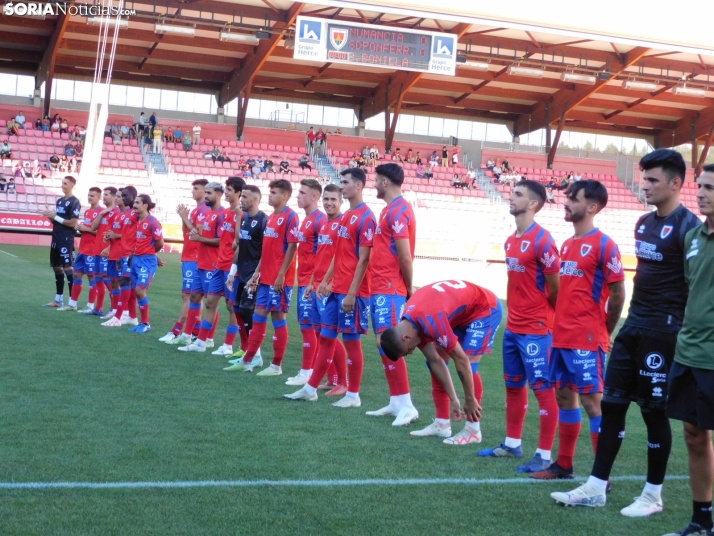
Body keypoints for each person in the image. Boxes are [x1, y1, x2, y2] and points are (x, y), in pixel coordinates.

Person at [551, 150, 701, 516]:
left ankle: (653, 495)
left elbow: (696, 285)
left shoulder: (690, 228)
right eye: (644, 178)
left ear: (676, 183)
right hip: (633, 325)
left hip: (664, 331)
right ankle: (596, 487)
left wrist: (682, 331)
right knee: (613, 404)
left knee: (653, 411)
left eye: (652, 180)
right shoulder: (642, 224)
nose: (645, 185)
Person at [530, 180, 626, 481]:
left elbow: (618, 294)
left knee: (592, 402)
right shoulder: (568, 244)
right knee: (563, 398)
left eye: (574, 198)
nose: (566, 202)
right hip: (561, 336)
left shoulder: (605, 244)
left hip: (587, 337)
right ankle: (564, 465)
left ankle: (601, 478)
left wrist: (604, 331)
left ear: (592, 207)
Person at [475, 180, 560, 469]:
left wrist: (548, 320)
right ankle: (512, 445)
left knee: (543, 390)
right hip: (513, 328)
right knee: (513, 386)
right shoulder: (511, 240)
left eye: (518, 194)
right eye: (512, 193)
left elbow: (556, 289)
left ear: (534, 204)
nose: (511, 198)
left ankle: (545, 456)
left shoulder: (543, 240)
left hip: (537, 329)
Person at [283, 168, 375, 408]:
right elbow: (338, 254)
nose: (341, 186)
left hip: (352, 291)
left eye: (345, 183)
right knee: (325, 337)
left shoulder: (366, 216)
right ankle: (310, 389)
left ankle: (353, 395)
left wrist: (352, 292)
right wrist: (325, 281)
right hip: (335, 290)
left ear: (358, 186)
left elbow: (365, 259)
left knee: (351, 341)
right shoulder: (345, 218)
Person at [660, 163, 714, 536]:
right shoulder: (693, 236)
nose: (703, 192)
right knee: (694, 434)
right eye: (702, 185)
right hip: (690, 352)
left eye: (711, 187)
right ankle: (702, 521)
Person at [380, 280, 502, 441]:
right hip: (460, 312)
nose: (411, 352)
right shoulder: (410, 323)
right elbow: (435, 361)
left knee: (469, 363)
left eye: (407, 350)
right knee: (435, 359)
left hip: (485, 308)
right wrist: (454, 398)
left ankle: (473, 430)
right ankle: (442, 424)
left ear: (405, 338)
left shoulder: (430, 320)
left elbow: (461, 359)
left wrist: (469, 399)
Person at [363, 163, 419, 426]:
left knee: (390, 342)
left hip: (390, 287)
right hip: (379, 286)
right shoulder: (388, 210)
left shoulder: (398, 211)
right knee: (382, 344)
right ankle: (396, 401)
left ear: (385, 182)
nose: (373, 184)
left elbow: (405, 256)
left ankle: (407, 405)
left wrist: (409, 289)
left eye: (375, 180)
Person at [228, 178, 300, 377]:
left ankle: (276, 365)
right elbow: (266, 251)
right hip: (265, 278)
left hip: (279, 281)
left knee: (279, 321)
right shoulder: (271, 218)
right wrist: (256, 274)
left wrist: (281, 275)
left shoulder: (290, 216)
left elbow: (292, 248)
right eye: (270, 193)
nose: (271, 196)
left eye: (274, 193)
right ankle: (248, 360)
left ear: (285, 196)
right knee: (258, 319)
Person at [286, 183, 348, 390]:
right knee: (321, 332)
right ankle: (332, 379)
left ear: (341, 201)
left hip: (330, 288)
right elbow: (320, 257)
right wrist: (313, 282)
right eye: (327, 200)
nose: (329, 203)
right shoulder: (325, 224)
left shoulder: (341, 224)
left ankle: (343, 381)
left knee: (329, 333)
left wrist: (330, 283)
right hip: (317, 285)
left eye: (333, 200)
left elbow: (344, 258)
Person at [180, 177, 245, 354]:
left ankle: (228, 345)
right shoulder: (226, 214)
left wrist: (201, 239)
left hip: (230, 266)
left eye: (229, 190)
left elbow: (236, 241)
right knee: (209, 302)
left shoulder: (237, 214)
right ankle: (200, 341)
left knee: (231, 306)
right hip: (218, 265)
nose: (226, 193)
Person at [171, 182, 226, 344]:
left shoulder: (221, 214)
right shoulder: (207, 214)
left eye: (209, 193)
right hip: (200, 261)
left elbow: (219, 240)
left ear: (218, 195)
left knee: (211, 302)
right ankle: (187, 336)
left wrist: (192, 228)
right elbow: (195, 232)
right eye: (206, 193)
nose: (206, 196)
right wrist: (187, 222)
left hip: (212, 263)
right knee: (194, 296)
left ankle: (209, 338)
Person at [284, 179, 327, 386]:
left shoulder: (319, 220)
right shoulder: (307, 219)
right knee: (313, 328)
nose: (298, 196)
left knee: (310, 328)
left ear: (314, 197)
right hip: (304, 281)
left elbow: (325, 254)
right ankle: (326, 375)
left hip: (311, 283)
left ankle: (307, 372)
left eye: (302, 192)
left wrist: (314, 282)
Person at [159, 179, 208, 344]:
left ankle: (177, 331)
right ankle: (196, 331)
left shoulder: (205, 210)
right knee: (192, 296)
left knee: (189, 296)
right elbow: (186, 232)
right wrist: (183, 219)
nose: (193, 191)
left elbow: (197, 233)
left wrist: (185, 217)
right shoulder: (195, 210)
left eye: (196, 188)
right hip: (188, 256)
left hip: (196, 257)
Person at [223, 185, 268, 367]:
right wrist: (233, 273)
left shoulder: (263, 220)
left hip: (253, 275)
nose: (241, 200)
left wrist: (257, 274)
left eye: (246, 197)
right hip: (241, 273)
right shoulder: (245, 219)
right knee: (240, 310)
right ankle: (249, 351)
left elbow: (267, 250)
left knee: (248, 311)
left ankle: (255, 355)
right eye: (242, 196)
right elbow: (240, 246)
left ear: (256, 200)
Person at [58, 187, 104, 312]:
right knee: (77, 274)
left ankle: (90, 306)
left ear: (99, 197)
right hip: (83, 249)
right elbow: (88, 229)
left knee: (92, 277)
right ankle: (72, 304)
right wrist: (81, 228)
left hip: (93, 250)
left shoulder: (102, 212)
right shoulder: (88, 211)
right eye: (89, 195)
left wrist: (85, 229)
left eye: (93, 196)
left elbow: (102, 233)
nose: (90, 197)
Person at [38, 176, 81, 308]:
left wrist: (54, 216)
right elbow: (58, 220)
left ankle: (72, 302)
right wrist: (49, 216)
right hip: (56, 238)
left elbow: (73, 223)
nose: (62, 185)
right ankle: (58, 299)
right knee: (57, 267)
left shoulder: (75, 201)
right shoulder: (60, 201)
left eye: (65, 183)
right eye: (62, 183)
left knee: (68, 267)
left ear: (72, 185)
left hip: (66, 239)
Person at [101, 187, 140, 327]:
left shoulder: (134, 214)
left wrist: (115, 236)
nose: (119, 198)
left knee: (126, 284)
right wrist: (110, 242)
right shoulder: (119, 214)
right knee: (118, 282)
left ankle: (121, 313)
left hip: (128, 254)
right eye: (118, 196)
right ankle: (125, 313)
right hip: (118, 253)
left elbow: (135, 235)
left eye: (122, 196)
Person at [127, 194, 164, 333]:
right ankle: (142, 323)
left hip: (147, 261)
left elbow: (160, 242)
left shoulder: (153, 222)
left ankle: (146, 323)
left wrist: (152, 254)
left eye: (137, 203)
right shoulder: (137, 220)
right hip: (136, 259)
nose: (134, 205)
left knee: (140, 290)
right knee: (137, 291)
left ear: (145, 205)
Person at [90, 187, 119, 317]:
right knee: (98, 279)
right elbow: (93, 227)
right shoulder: (103, 212)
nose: (104, 197)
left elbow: (118, 233)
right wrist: (102, 213)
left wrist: (109, 248)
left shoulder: (117, 212)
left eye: (106, 194)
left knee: (109, 280)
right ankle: (98, 308)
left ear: (113, 197)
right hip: (97, 250)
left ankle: (114, 310)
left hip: (107, 251)